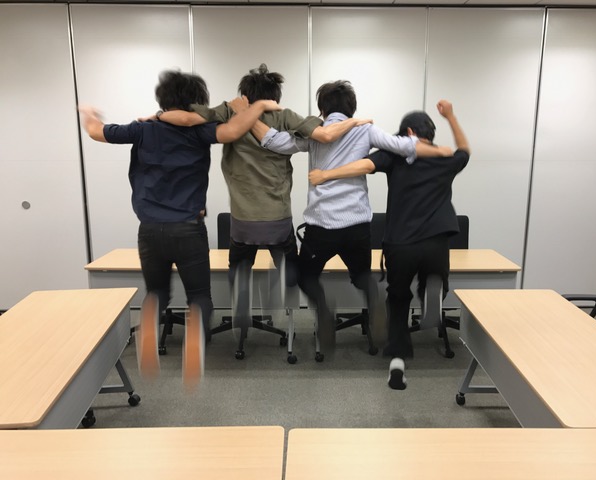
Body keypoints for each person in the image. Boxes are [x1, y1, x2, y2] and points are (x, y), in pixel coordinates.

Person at [78, 69, 281, 389]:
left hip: (150, 231)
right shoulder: (200, 131)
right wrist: (257, 106)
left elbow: (95, 132)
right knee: (199, 295)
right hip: (188, 229)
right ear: (198, 102)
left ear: (163, 99)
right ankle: (194, 349)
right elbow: (233, 130)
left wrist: (89, 112)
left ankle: (147, 343)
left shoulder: (142, 129)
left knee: (156, 292)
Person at [155, 65, 370, 337]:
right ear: (275, 97)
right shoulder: (284, 115)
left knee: (239, 267)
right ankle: (281, 293)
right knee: (292, 269)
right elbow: (325, 133)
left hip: (242, 220)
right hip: (277, 218)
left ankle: (242, 309)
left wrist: (158, 116)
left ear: (244, 95)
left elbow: (188, 118)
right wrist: (355, 122)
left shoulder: (229, 111)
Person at [254, 80, 451, 352]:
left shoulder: (315, 131)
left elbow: (275, 142)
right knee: (361, 275)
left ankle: (324, 310)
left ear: (322, 110)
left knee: (306, 276)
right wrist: (438, 149)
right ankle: (375, 303)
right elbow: (404, 146)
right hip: (357, 224)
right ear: (352, 108)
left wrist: (248, 117)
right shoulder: (365, 130)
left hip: (322, 225)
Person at [308, 100, 470, 389]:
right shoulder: (444, 156)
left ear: (408, 133)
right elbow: (465, 150)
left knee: (397, 300)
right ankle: (432, 292)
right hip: (437, 239)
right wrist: (451, 116)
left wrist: (326, 175)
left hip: (401, 243)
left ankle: (397, 362)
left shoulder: (396, 154)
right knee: (435, 276)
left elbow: (363, 165)